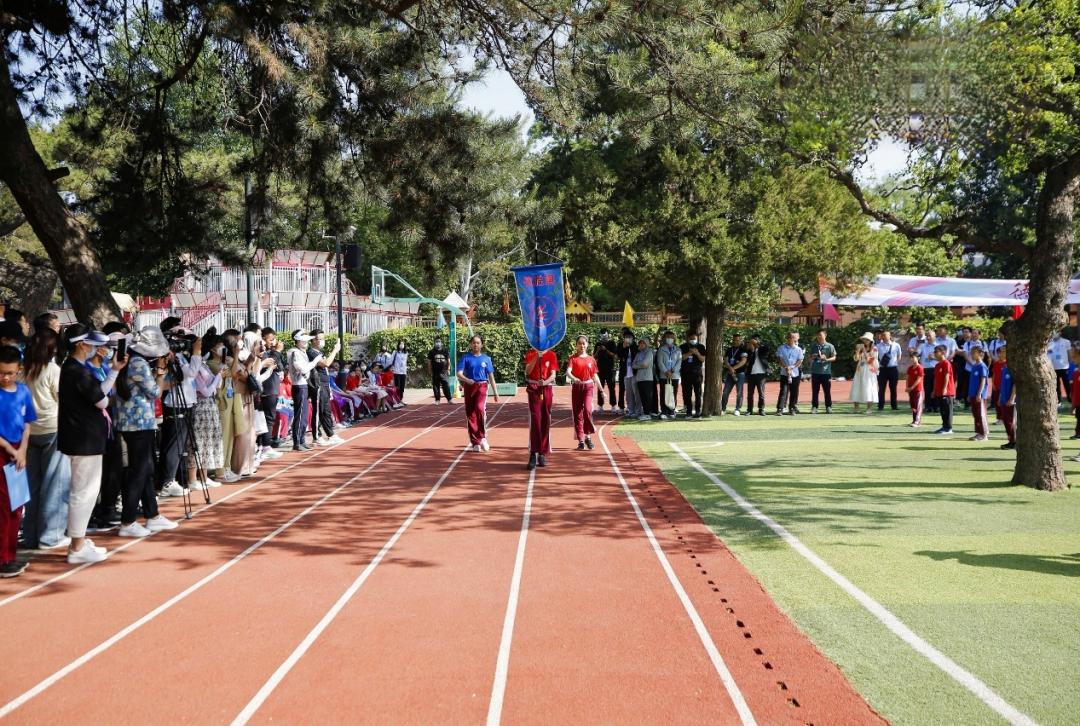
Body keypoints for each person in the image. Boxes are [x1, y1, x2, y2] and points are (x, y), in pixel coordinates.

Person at [58, 326, 125, 564]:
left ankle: (79, 539)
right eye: (93, 344)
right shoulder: (78, 371)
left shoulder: (73, 369)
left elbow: (99, 396)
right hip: (84, 439)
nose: (97, 349)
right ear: (81, 344)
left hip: (82, 438)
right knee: (83, 492)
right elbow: (103, 401)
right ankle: (76, 546)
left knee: (84, 490)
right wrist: (113, 375)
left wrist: (114, 372)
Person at [115, 327, 178, 536]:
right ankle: (128, 520)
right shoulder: (138, 363)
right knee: (139, 471)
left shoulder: (130, 361)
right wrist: (160, 374)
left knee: (146, 468)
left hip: (135, 422)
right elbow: (154, 392)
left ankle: (152, 515)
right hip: (138, 423)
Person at [21, 330, 71, 550]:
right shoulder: (52, 370)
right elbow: (62, 399)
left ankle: (30, 534)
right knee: (55, 484)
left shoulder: (23, 371)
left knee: (33, 485)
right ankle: (52, 534)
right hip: (52, 428)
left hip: (29, 431)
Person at [0, 344, 35, 577]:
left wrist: (22, 450)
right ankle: (3, 558)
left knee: (17, 506)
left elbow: (27, 423)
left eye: (10, 373)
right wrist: (11, 451)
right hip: (3, 452)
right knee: (4, 507)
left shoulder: (23, 391)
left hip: (18, 453)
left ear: (18, 370)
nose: (5, 377)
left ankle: (10, 554)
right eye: (1, 372)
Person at [157, 320, 200, 496]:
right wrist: (196, 352)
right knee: (172, 445)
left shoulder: (179, 355)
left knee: (180, 444)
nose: (182, 341)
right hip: (174, 403)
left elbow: (188, 374)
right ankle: (166, 482)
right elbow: (190, 373)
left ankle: (173, 478)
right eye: (177, 337)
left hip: (186, 401)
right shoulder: (164, 355)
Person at [192, 331, 226, 486]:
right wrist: (219, 375)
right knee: (200, 442)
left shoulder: (204, 365)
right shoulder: (196, 367)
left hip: (210, 405)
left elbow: (216, 386)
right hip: (201, 406)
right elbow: (205, 391)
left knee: (209, 442)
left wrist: (219, 375)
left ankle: (205, 477)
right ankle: (195, 478)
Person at [456, 334, 499, 452]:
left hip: (482, 387)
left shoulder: (486, 359)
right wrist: (466, 380)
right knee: (471, 413)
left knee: (479, 409)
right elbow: (459, 373)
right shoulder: (466, 358)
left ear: (482, 344)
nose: (476, 344)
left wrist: (495, 393)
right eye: (474, 342)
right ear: (470, 344)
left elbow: (491, 376)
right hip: (470, 387)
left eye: (478, 342)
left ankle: (483, 437)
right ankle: (475, 442)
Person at [287, 329, 323, 451]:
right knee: (300, 414)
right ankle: (297, 442)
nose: (307, 342)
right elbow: (303, 369)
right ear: (297, 340)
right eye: (304, 340)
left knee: (303, 415)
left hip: (303, 385)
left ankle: (301, 440)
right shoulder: (294, 352)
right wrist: (316, 361)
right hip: (299, 385)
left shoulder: (300, 352)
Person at [524, 345, 558, 469]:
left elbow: (553, 374)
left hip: (547, 388)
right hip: (534, 389)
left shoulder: (551, 354)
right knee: (536, 420)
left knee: (545, 420)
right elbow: (527, 371)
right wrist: (537, 357)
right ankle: (533, 452)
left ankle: (542, 453)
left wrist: (546, 381)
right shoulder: (531, 353)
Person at [308, 331, 343, 446]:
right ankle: (316, 436)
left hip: (325, 384)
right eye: (320, 339)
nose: (322, 341)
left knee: (326, 411)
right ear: (313, 340)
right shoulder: (311, 352)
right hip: (318, 384)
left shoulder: (319, 352)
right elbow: (326, 363)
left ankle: (330, 434)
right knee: (319, 410)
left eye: (323, 339)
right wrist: (335, 350)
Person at [567, 335, 601, 450]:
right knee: (577, 414)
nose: (582, 345)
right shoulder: (572, 358)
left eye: (584, 343)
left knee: (587, 410)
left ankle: (588, 436)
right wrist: (573, 378)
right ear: (576, 345)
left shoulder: (591, 359)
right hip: (577, 387)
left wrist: (601, 390)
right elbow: (568, 372)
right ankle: (581, 440)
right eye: (579, 343)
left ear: (587, 344)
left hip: (588, 386)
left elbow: (595, 375)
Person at [258, 328, 285, 458]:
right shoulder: (262, 352)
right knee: (267, 419)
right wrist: (277, 352)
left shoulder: (271, 352)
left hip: (273, 388)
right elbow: (270, 364)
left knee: (269, 418)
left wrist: (276, 353)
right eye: (270, 339)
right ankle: (265, 446)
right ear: (263, 338)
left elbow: (279, 366)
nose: (273, 342)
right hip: (266, 389)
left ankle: (264, 446)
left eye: (274, 339)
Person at [808, 329, 837, 414]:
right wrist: (812, 357)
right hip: (815, 372)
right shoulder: (814, 346)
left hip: (826, 372)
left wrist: (826, 359)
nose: (819, 337)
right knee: (815, 391)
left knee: (827, 391)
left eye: (821, 335)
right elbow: (809, 358)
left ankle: (828, 407)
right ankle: (814, 407)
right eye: (818, 335)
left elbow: (834, 357)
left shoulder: (830, 346)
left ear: (825, 335)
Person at [775, 331, 804, 415]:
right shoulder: (781, 348)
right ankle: (780, 409)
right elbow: (780, 359)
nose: (790, 339)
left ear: (795, 339)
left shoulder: (798, 349)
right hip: (784, 373)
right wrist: (786, 367)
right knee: (783, 391)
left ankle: (792, 408)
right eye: (789, 337)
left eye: (792, 337)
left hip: (795, 373)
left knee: (794, 391)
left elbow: (800, 360)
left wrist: (792, 367)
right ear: (786, 338)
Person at [679, 329, 706, 418]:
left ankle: (698, 411)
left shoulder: (701, 347)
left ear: (697, 338)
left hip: (697, 374)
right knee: (687, 393)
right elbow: (681, 358)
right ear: (687, 339)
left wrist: (697, 353)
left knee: (698, 393)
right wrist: (690, 352)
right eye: (691, 339)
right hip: (685, 373)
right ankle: (689, 411)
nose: (692, 340)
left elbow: (702, 359)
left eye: (694, 338)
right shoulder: (682, 347)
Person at [850, 333, 878, 414]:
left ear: (870, 341)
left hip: (869, 371)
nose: (865, 341)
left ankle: (869, 408)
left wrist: (864, 350)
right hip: (860, 370)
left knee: (869, 387)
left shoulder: (875, 349)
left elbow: (870, 361)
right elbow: (856, 359)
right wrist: (857, 351)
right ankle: (856, 407)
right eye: (864, 339)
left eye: (867, 339)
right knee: (857, 386)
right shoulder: (861, 348)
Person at [656, 331, 681, 419]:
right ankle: (664, 411)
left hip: (674, 375)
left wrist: (673, 371)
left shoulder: (678, 350)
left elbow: (679, 362)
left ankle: (672, 410)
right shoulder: (661, 349)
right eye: (667, 337)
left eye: (671, 337)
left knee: (673, 393)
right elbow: (660, 362)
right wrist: (666, 371)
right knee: (663, 393)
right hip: (664, 375)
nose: (669, 339)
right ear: (665, 338)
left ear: (674, 339)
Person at [967, 347, 991, 441]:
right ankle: (978, 432)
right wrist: (970, 394)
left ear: (980, 354)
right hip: (973, 394)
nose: (972, 355)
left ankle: (984, 434)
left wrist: (979, 394)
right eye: (971, 353)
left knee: (981, 414)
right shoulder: (974, 366)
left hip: (979, 395)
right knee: (976, 414)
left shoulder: (982, 366)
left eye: (974, 353)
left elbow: (983, 381)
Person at [720, 333, 747, 416]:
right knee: (725, 392)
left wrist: (733, 368)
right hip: (729, 374)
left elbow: (743, 361)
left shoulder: (743, 350)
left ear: (740, 340)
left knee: (739, 392)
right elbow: (726, 360)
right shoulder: (729, 349)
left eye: (737, 340)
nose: (735, 341)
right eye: (734, 340)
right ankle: (723, 408)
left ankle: (737, 409)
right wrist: (729, 368)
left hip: (740, 374)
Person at [875, 330, 902, 411]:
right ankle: (880, 406)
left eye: (886, 335)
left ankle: (894, 406)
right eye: (883, 335)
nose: (884, 336)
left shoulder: (896, 345)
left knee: (893, 388)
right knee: (881, 388)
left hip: (893, 369)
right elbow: (875, 357)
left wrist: (894, 362)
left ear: (890, 336)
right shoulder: (878, 346)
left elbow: (899, 355)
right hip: (883, 369)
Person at [932, 344, 956, 435]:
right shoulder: (937, 365)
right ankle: (944, 426)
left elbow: (947, 376)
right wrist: (934, 390)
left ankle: (948, 428)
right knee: (942, 410)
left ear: (943, 353)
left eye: (936, 352)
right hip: (939, 392)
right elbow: (936, 379)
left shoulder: (946, 363)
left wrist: (945, 388)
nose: (934, 354)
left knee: (948, 410)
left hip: (947, 392)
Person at [594, 329, 618, 414]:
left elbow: (615, 356)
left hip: (610, 369)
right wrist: (598, 350)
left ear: (608, 335)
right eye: (602, 335)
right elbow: (594, 357)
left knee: (611, 387)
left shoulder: (612, 343)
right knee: (600, 388)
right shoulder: (598, 344)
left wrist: (606, 350)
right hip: (600, 369)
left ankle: (613, 406)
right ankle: (600, 406)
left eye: (605, 335)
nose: (603, 337)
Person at [632, 337, 655, 421]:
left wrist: (638, 364)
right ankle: (645, 412)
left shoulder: (649, 352)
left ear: (647, 344)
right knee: (642, 396)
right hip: (639, 378)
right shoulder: (638, 354)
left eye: (643, 343)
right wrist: (640, 365)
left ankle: (647, 414)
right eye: (640, 343)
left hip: (647, 378)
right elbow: (633, 365)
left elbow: (645, 364)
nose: (641, 345)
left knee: (647, 396)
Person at [618, 329, 640, 416]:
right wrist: (624, 347)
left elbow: (637, 356)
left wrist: (631, 347)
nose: (628, 339)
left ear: (633, 338)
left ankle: (638, 410)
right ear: (623, 338)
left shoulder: (636, 346)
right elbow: (618, 355)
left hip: (635, 373)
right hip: (625, 373)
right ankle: (631, 410)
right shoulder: (621, 345)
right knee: (628, 393)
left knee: (636, 393)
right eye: (626, 337)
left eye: (630, 337)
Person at [745, 335, 768, 416]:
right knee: (750, 393)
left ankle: (761, 409)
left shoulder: (762, 348)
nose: (754, 341)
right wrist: (751, 348)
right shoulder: (750, 350)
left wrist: (757, 343)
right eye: (753, 340)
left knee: (761, 393)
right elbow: (746, 353)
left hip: (761, 374)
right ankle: (749, 409)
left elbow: (766, 348)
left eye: (756, 340)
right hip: (751, 374)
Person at [1047, 329, 1071, 404]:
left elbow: (1069, 353)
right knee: (1056, 385)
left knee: (1067, 384)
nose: (1055, 333)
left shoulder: (1066, 342)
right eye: (1054, 331)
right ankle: (1058, 400)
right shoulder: (1049, 342)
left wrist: (1069, 363)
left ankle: (1070, 399)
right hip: (1053, 368)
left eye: (1057, 332)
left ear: (1060, 333)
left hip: (1064, 367)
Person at [919, 330, 939, 413]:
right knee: (927, 389)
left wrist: (933, 358)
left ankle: (936, 406)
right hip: (926, 370)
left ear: (934, 336)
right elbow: (917, 353)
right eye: (927, 336)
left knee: (936, 388)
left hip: (936, 369)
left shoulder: (938, 346)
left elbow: (943, 358)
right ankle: (928, 406)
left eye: (929, 336)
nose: (928, 337)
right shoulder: (922, 346)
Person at [427, 337, 452, 403]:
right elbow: (429, 362)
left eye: (439, 341)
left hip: (444, 372)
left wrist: (448, 369)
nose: (438, 343)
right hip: (435, 372)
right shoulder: (431, 352)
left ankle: (449, 399)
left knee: (446, 386)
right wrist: (430, 371)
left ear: (441, 343)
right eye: (436, 342)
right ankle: (437, 400)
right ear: (434, 343)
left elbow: (449, 360)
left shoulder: (445, 350)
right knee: (436, 387)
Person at [906, 350, 925, 428]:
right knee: (913, 405)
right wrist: (907, 387)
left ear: (918, 358)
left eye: (914, 357)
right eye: (911, 357)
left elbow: (919, 379)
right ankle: (914, 420)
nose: (912, 359)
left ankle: (917, 421)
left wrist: (912, 387)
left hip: (918, 390)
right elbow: (907, 378)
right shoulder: (910, 368)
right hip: (911, 390)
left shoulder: (920, 368)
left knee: (918, 406)